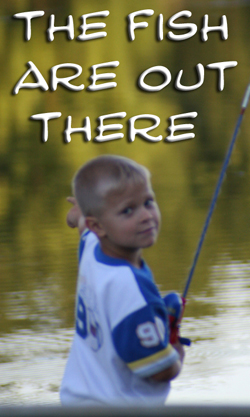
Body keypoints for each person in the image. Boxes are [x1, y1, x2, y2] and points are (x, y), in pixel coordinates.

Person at [60, 155, 185, 406]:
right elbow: (158, 369)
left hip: (77, 400)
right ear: (100, 225)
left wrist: (77, 215)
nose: (145, 216)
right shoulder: (131, 292)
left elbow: (83, 226)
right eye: (128, 210)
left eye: (148, 202)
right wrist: (176, 348)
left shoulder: (93, 248)